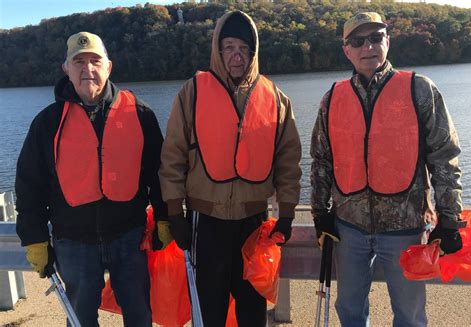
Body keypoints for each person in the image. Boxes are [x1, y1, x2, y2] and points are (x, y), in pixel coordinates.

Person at [310, 12, 465, 327]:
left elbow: (444, 156)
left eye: (376, 37)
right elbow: (321, 159)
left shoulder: (419, 89)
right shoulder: (332, 98)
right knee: (350, 311)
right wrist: (319, 213)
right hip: (349, 227)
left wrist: (449, 219)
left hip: (405, 228)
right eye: (358, 40)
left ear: (388, 41)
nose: (368, 46)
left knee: (409, 316)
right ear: (346, 50)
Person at [15, 31, 170, 327]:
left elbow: (160, 173)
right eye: (79, 62)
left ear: (108, 67)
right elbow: (29, 186)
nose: (88, 69)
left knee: (139, 316)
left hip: (130, 238)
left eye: (95, 61)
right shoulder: (47, 123)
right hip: (72, 242)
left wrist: (164, 217)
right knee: (80, 320)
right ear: (67, 69)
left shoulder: (140, 115)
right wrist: (34, 237)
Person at [159, 10, 301, 326]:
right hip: (205, 223)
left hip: (253, 223)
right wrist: (174, 211)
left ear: (253, 53)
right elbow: (172, 156)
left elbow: (288, 162)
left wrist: (287, 212)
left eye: (243, 49)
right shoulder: (192, 93)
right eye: (229, 47)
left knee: (253, 311)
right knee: (211, 312)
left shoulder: (276, 99)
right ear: (218, 50)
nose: (236, 56)